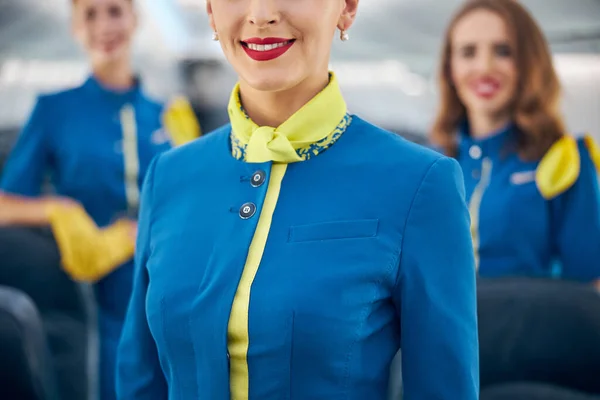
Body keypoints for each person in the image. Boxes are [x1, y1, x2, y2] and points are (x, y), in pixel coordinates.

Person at [116, 0, 479, 399]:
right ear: (210, 12)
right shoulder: (168, 176)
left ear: (347, 8)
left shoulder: (420, 184)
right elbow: (140, 378)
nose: (260, 15)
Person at [0, 0, 199, 399]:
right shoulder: (55, 109)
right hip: (97, 288)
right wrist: (59, 208)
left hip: (167, 278)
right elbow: (5, 204)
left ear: (134, 19)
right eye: (90, 14)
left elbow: (195, 201)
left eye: (114, 11)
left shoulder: (166, 113)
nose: (104, 25)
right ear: (76, 28)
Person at [431, 0, 600, 283]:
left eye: (503, 51)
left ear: (528, 63)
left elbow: (589, 289)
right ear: (450, 69)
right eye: (468, 52)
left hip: (533, 326)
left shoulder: (564, 159)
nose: (484, 67)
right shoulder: (430, 163)